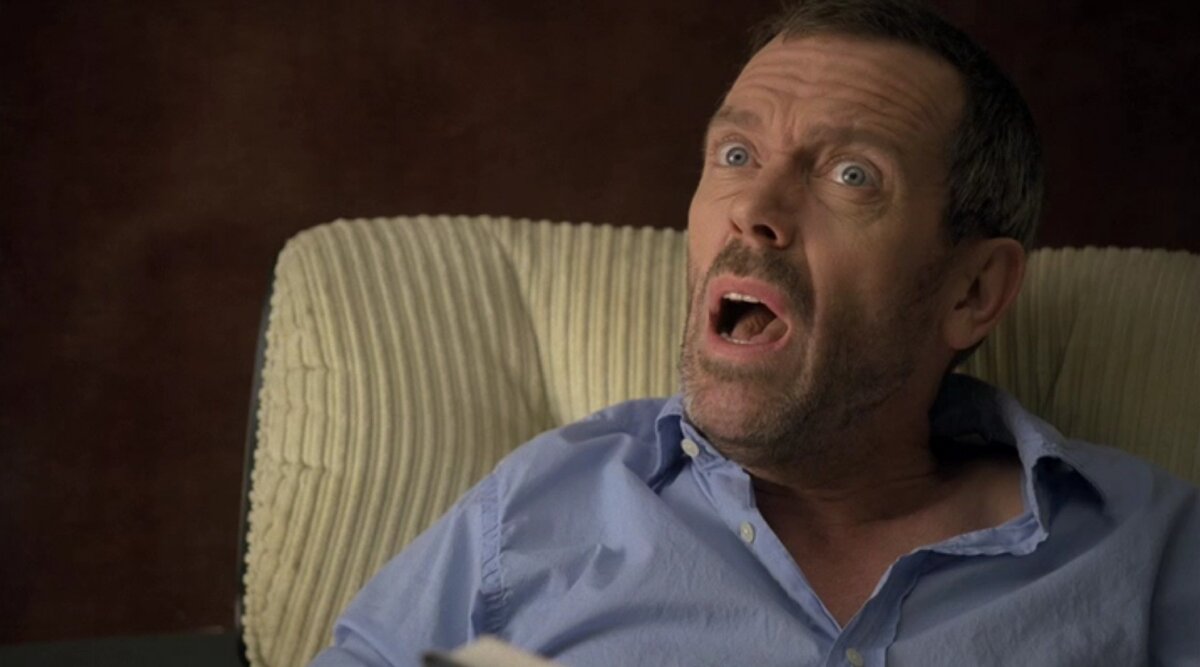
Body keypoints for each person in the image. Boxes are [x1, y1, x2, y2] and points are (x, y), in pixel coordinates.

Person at [311, 1, 1199, 665]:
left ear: (972, 291)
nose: (755, 209)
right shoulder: (539, 507)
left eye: (851, 175)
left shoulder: (1151, 547)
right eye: (736, 156)